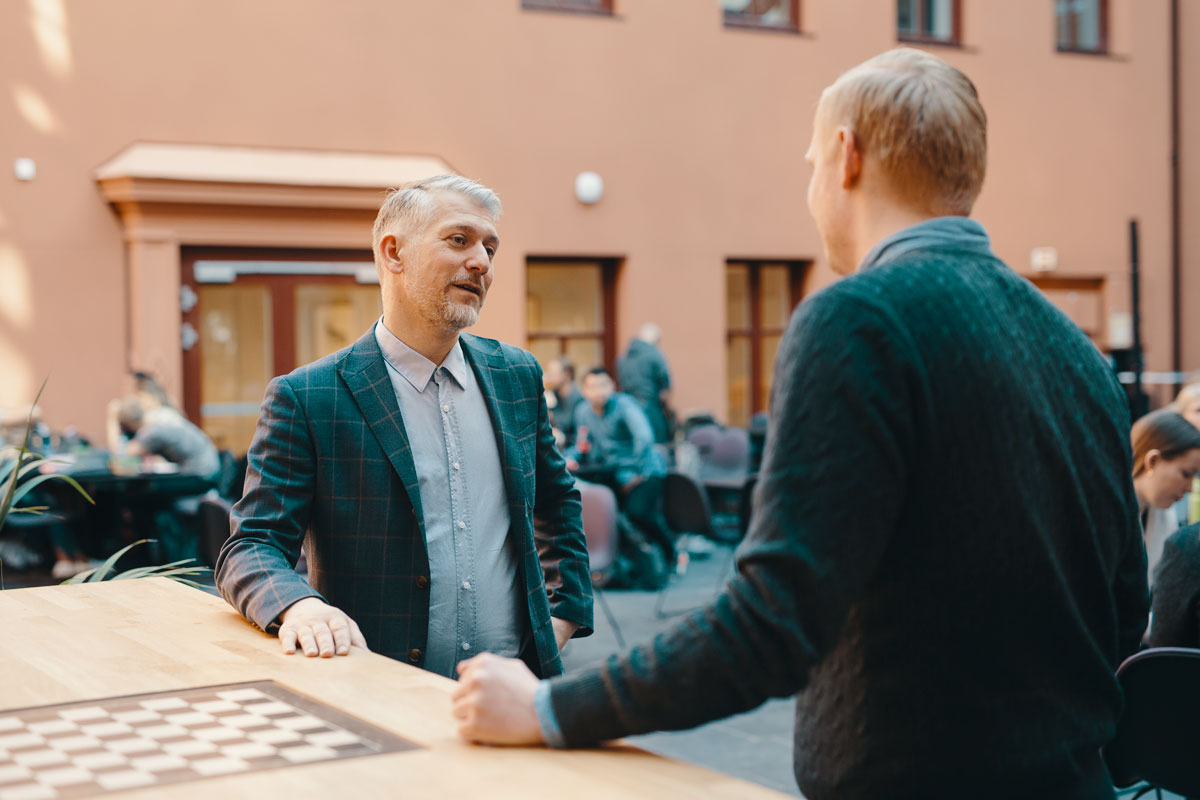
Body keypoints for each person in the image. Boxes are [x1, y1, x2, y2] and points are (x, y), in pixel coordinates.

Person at [451, 48, 1148, 799]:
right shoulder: (1078, 353)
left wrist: (551, 706)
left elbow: (773, 621)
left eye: (812, 161)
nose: (813, 184)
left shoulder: (859, 318)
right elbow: (1123, 606)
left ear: (845, 158)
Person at [216, 175, 593, 680]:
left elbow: (555, 499)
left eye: (490, 247)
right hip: (380, 695)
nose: (481, 261)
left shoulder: (516, 375)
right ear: (393, 253)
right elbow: (251, 545)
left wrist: (563, 614)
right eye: (459, 240)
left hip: (517, 691)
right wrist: (299, 605)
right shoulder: (308, 398)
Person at [1129, 409, 1200, 584]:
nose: (1190, 488)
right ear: (1152, 461)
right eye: (1186, 474)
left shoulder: (1165, 517)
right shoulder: (1103, 514)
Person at [566, 366, 665, 492]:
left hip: (643, 470)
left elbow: (644, 437)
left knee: (636, 510)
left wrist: (636, 473)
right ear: (584, 391)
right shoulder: (582, 411)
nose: (599, 391)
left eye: (603, 385)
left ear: (612, 386)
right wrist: (569, 458)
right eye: (593, 387)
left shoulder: (625, 405)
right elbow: (582, 444)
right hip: (611, 471)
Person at [617, 323, 672, 444]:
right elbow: (666, 384)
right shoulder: (655, 354)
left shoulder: (623, 357)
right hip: (651, 405)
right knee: (657, 443)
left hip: (628, 405)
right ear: (656, 340)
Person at [543, 357, 584, 446]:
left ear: (567, 374)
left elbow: (580, 433)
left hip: (574, 447)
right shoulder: (553, 395)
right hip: (558, 444)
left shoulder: (580, 398)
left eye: (553, 373)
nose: (549, 377)